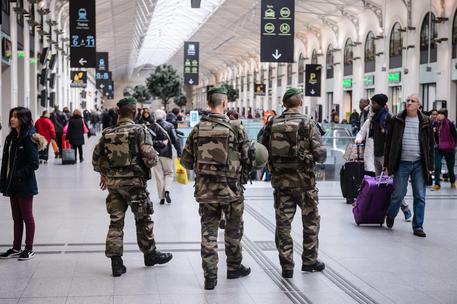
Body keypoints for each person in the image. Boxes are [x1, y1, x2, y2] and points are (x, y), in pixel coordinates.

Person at [180, 86, 252, 290]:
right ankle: (233, 267)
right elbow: (249, 158)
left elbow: (185, 161)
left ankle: (210, 277)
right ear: (224, 103)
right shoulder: (236, 128)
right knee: (233, 230)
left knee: (208, 232)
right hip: (231, 190)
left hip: (205, 190)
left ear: (209, 103)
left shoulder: (197, 129)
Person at [92, 96, 172, 277]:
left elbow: (96, 160)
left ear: (118, 113)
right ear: (134, 112)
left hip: (114, 186)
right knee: (143, 220)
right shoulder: (139, 131)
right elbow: (151, 159)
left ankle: (116, 263)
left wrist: (106, 174)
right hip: (135, 185)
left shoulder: (107, 133)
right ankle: (150, 255)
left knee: (116, 222)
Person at [262, 88, 327, 279]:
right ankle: (309, 261)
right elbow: (320, 154)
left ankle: (287, 265)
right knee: (311, 222)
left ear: (285, 104)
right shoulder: (307, 122)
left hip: (281, 183)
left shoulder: (272, 123)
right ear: (299, 102)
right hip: (304, 183)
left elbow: (263, 151)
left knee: (283, 224)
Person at [356, 94, 412, 221]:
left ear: (381, 104)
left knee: (389, 184)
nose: (371, 105)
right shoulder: (373, 117)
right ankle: (381, 209)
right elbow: (363, 131)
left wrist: (390, 158)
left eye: (374, 103)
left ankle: (406, 209)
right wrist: (359, 138)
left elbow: (394, 138)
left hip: (386, 157)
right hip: (377, 154)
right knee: (380, 184)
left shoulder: (388, 117)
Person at [384, 95, 434, 237]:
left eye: (413, 101)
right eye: (408, 101)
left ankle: (418, 226)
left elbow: (430, 144)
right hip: (401, 163)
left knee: (420, 195)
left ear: (419, 105)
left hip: (419, 163)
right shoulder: (397, 119)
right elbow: (389, 143)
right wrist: (387, 164)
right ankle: (391, 214)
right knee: (398, 194)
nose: (409, 103)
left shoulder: (426, 121)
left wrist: (429, 165)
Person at [0, 107, 46, 260]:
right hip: (12, 184)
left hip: (24, 184)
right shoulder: (10, 138)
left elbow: (34, 163)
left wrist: (18, 175)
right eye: (11, 116)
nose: (12, 119)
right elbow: (5, 163)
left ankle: (29, 248)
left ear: (23, 119)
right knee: (16, 217)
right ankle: (15, 247)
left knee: (27, 217)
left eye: (16, 117)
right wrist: (4, 180)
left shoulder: (29, 137)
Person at [151, 109, 181, 204]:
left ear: (155, 117)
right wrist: (179, 152)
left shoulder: (151, 127)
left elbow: (149, 142)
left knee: (159, 176)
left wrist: (158, 143)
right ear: (164, 116)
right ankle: (167, 190)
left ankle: (162, 197)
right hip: (167, 154)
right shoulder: (170, 126)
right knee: (168, 173)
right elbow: (175, 140)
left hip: (155, 154)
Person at [432, 109, 456, 190]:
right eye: (438, 114)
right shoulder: (435, 124)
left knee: (450, 168)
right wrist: (433, 132)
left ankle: (452, 182)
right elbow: (434, 136)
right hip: (438, 148)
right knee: (437, 166)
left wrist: (453, 146)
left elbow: (455, 136)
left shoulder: (450, 124)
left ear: (445, 115)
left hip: (449, 149)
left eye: (441, 114)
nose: (438, 115)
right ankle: (437, 184)